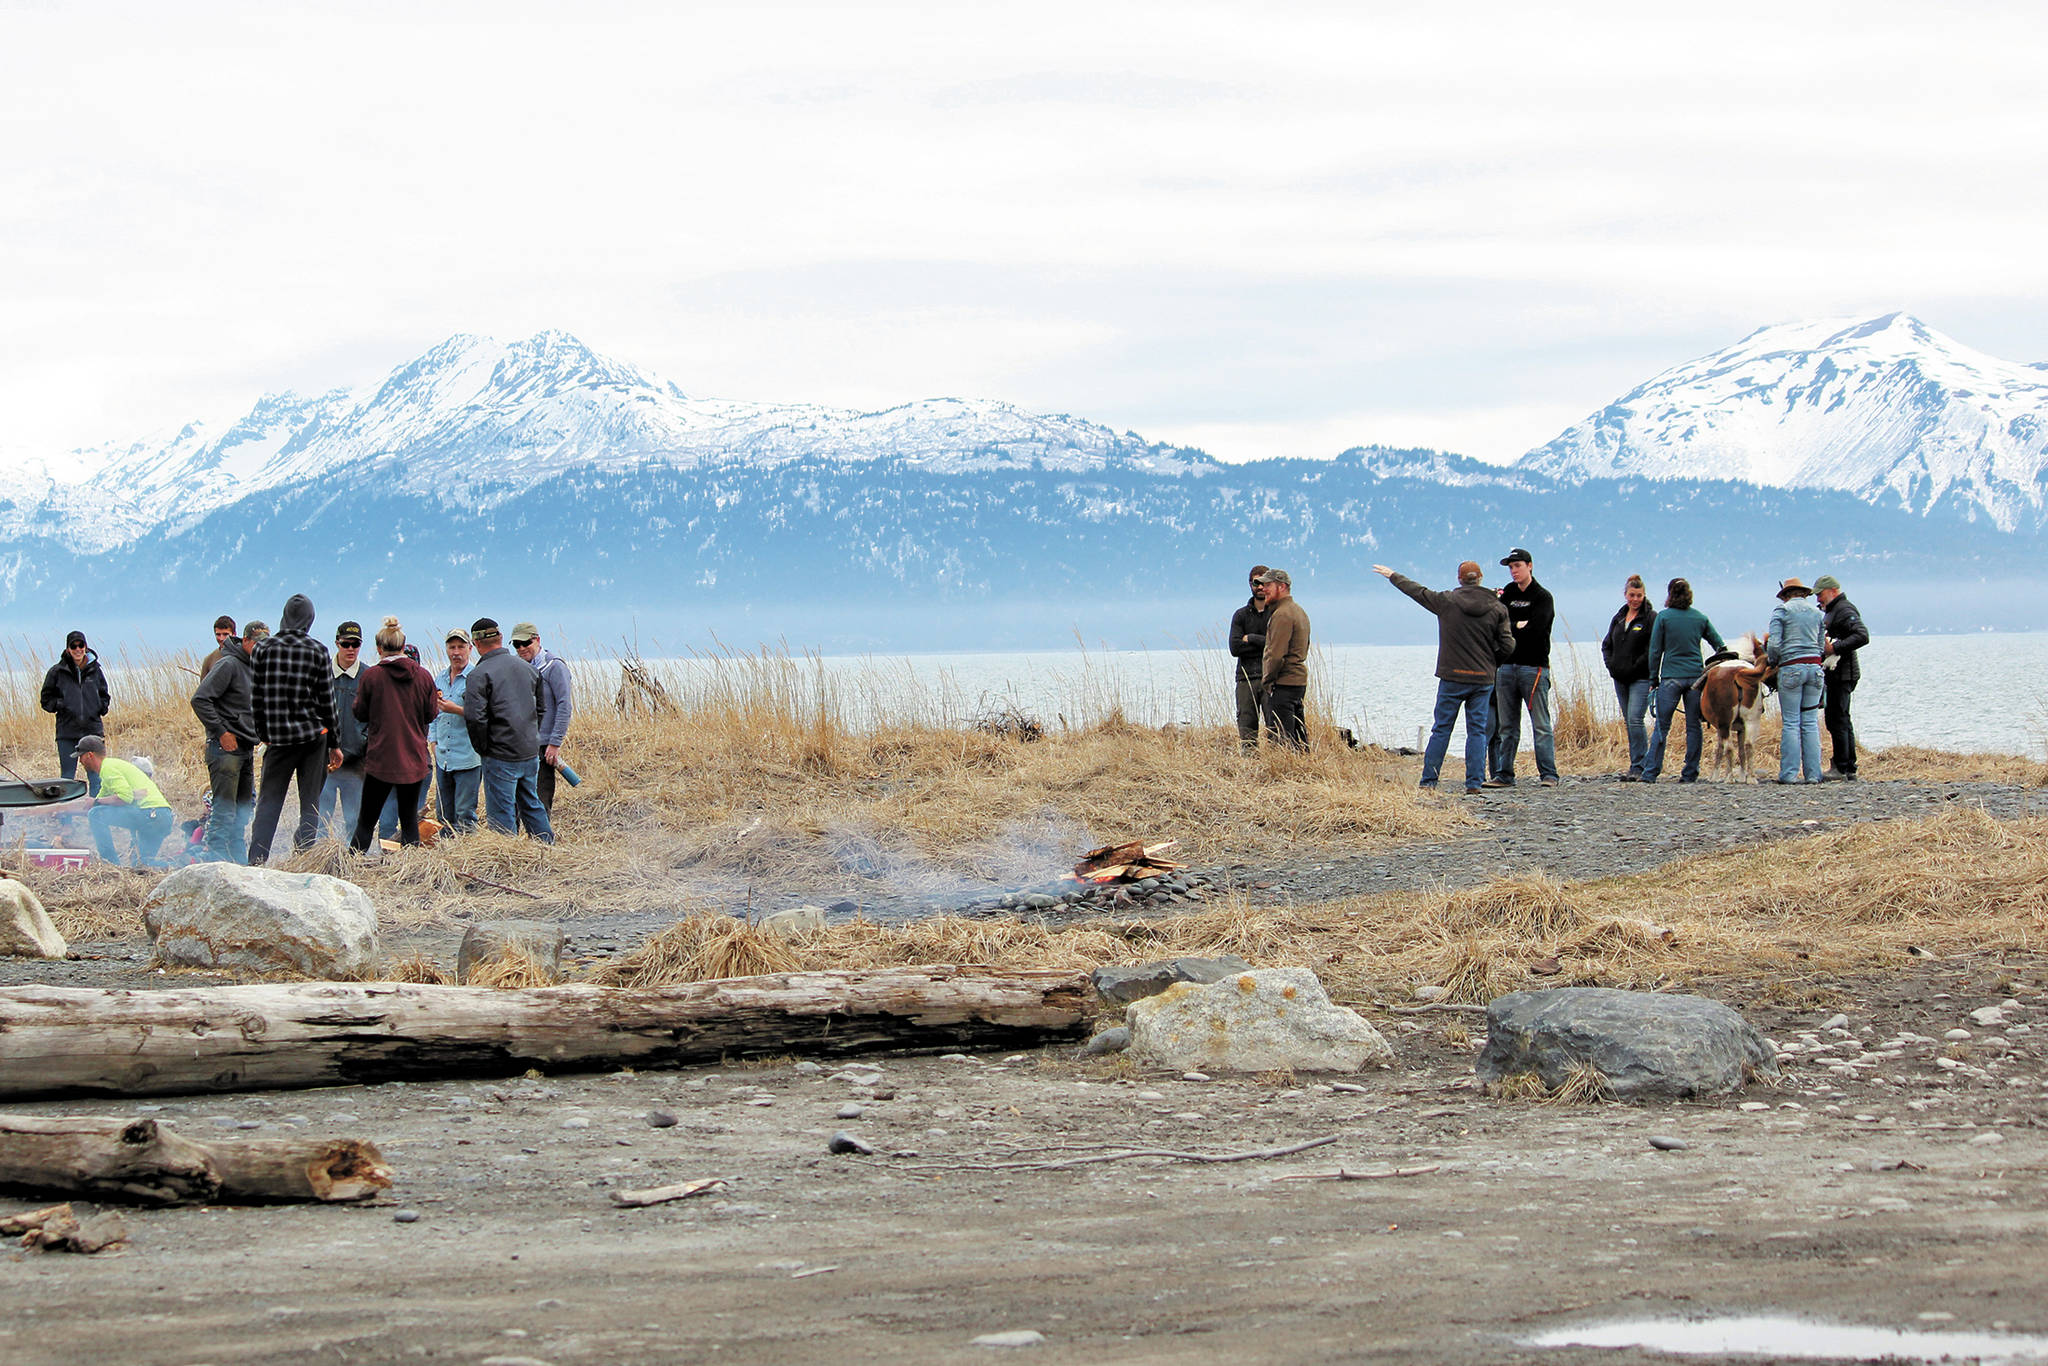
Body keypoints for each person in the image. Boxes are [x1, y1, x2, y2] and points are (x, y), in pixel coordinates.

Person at [1374, 561, 1514, 793]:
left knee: (1441, 729)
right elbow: (1508, 645)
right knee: (1478, 731)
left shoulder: (1446, 602)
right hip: (1482, 678)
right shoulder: (1498, 608)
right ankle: (1474, 782)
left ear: (1459, 579)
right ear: (1480, 578)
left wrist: (1393, 575)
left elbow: (1417, 591)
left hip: (1452, 676)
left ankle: (1429, 781)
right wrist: (1492, 662)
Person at [247, 594, 342, 865]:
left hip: (277, 741)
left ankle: (256, 861)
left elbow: (256, 698)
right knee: (310, 804)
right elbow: (328, 701)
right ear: (309, 620)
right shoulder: (318, 650)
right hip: (313, 740)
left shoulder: (263, 649)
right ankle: (303, 858)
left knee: (268, 802)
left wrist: (263, 735)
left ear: (284, 616)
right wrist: (335, 743)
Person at [349, 617, 439, 853]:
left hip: (381, 759)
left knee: (366, 821)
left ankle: (351, 866)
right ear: (402, 645)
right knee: (409, 820)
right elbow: (431, 714)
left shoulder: (372, 677)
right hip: (414, 758)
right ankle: (410, 871)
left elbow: (359, 712)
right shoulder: (423, 676)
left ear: (379, 648)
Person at [463, 617, 554, 841]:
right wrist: (532, 736)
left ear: (475, 644)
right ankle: (547, 849)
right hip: (529, 750)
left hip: (499, 754)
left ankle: (506, 861)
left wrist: (483, 748)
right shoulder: (528, 669)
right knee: (531, 803)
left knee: (501, 813)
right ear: (501, 638)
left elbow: (475, 718)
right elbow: (541, 709)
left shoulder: (478, 675)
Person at [189, 620, 267, 863]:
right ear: (244, 641)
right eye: (257, 644)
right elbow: (200, 699)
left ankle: (238, 865)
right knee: (223, 812)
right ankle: (213, 864)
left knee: (242, 812)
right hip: (225, 751)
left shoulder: (255, 667)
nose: (262, 649)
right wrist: (222, 732)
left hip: (245, 747)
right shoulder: (228, 664)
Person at [1640, 578, 1726, 784]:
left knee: (1662, 725)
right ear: (1689, 594)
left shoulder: (1663, 618)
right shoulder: (1700, 618)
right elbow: (1720, 646)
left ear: (1669, 594)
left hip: (1670, 677)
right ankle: (1690, 773)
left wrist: (1654, 677)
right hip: (1696, 678)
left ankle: (1651, 772)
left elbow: (1655, 650)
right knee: (1694, 726)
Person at [1486, 548, 1559, 788]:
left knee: (1541, 724)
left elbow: (1537, 631)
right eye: (1511, 567)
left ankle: (1548, 774)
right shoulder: (1506, 594)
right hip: (1506, 667)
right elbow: (1498, 625)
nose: (1514, 571)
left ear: (1530, 566)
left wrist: (1513, 627)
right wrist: (1517, 625)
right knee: (1507, 726)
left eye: (1517, 566)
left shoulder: (1542, 597)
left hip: (1534, 667)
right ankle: (1504, 774)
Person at [69, 736, 175, 867]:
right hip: (162, 816)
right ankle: (180, 866)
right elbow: (92, 804)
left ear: (90, 755)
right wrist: (62, 811)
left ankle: (110, 864)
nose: (80, 761)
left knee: (96, 815)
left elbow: (124, 797)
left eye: (81, 756)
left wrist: (96, 802)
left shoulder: (108, 768)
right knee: (142, 865)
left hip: (151, 815)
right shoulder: (111, 768)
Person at [1766, 577, 1827, 784]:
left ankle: (1789, 774)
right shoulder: (1817, 613)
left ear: (1785, 595)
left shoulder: (1781, 611)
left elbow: (1774, 644)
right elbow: (1821, 644)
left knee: (1791, 722)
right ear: (1804, 593)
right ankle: (1813, 774)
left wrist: (1773, 660)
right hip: (1815, 668)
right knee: (1810, 722)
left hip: (1791, 667)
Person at [1601, 575, 1658, 781]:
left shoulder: (1651, 618)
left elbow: (1652, 648)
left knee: (1635, 719)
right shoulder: (1618, 618)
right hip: (1619, 677)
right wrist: (1611, 665)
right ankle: (1635, 762)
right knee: (1628, 720)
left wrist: (1637, 667)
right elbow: (1607, 644)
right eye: (1632, 595)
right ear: (1625, 595)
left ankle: (1640, 765)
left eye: (1639, 595)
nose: (1635, 599)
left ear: (1644, 595)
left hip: (1640, 678)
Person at [513, 623, 574, 816]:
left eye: (525, 642)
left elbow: (564, 705)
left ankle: (542, 841)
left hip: (544, 744)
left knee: (540, 798)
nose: (522, 648)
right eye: (516, 644)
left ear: (537, 640)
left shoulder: (554, 666)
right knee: (517, 799)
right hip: (521, 742)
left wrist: (555, 743)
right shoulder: (517, 668)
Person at [40, 630, 110, 796]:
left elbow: (104, 694)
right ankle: (66, 819)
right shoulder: (57, 672)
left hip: (92, 731)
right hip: (67, 732)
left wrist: (100, 707)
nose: (78, 649)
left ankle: (97, 816)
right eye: (74, 646)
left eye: (81, 645)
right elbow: (45, 700)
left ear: (85, 647)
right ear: (68, 649)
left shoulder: (96, 670)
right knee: (67, 779)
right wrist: (61, 705)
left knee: (96, 777)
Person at [1815, 574, 1868, 782]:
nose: (1818, 599)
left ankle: (1844, 766)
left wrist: (1834, 647)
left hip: (1843, 673)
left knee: (1839, 719)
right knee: (1836, 718)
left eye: (1820, 594)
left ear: (1833, 591)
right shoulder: (1833, 610)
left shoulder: (1844, 609)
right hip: (1836, 672)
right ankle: (1845, 765)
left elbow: (1862, 635)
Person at [320, 621, 369, 840]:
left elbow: (374, 717)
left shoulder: (368, 676)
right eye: (345, 644)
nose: (350, 649)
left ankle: (353, 861)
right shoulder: (321, 674)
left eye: (355, 644)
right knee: (320, 818)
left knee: (354, 820)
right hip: (324, 762)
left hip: (356, 764)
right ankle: (317, 858)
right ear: (337, 644)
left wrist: (364, 743)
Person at [433, 627, 484, 834]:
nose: (456, 652)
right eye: (452, 647)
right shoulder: (441, 678)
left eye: (461, 646)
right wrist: (433, 740)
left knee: (465, 814)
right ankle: (446, 856)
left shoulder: (476, 677)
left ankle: (467, 856)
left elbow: (484, 715)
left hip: (468, 757)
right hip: (443, 757)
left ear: (470, 648)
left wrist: (457, 710)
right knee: (443, 814)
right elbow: (433, 715)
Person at [1257, 569, 1310, 750]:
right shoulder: (1299, 611)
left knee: (1283, 739)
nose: (1263, 588)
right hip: (1297, 682)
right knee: (1298, 737)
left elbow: (1276, 654)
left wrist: (1268, 680)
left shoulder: (1282, 615)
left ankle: (1290, 774)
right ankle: (1305, 770)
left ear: (1282, 586)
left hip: (1284, 683)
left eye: (1268, 585)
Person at [1228, 565, 1273, 753]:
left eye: (1263, 582)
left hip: (1271, 677)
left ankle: (1276, 765)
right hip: (1246, 678)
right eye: (1256, 582)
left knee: (1275, 727)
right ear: (1250, 584)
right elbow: (1235, 647)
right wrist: (1265, 643)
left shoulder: (1277, 613)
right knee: (1247, 728)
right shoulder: (1241, 615)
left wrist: (1252, 638)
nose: (1260, 587)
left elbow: (1277, 645)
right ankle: (1250, 769)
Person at [198, 615, 237, 681]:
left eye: (225, 634)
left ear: (234, 634)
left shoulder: (245, 655)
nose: (221, 638)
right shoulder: (209, 660)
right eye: (218, 634)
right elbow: (203, 689)